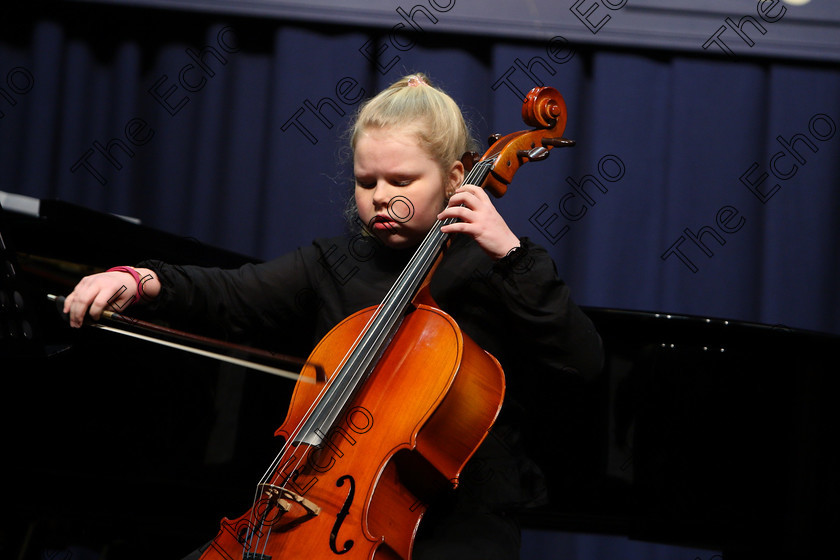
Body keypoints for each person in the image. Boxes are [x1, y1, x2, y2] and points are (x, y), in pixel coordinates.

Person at [63, 73, 604, 560]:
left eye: (401, 181)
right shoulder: (334, 263)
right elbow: (230, 292)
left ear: (456, 175)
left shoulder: (502, 267)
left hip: (457, 525)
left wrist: (510, 254)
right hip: (322, 506)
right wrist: (138, 279)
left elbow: (583, 362)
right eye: (367, 183)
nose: (380, 198)